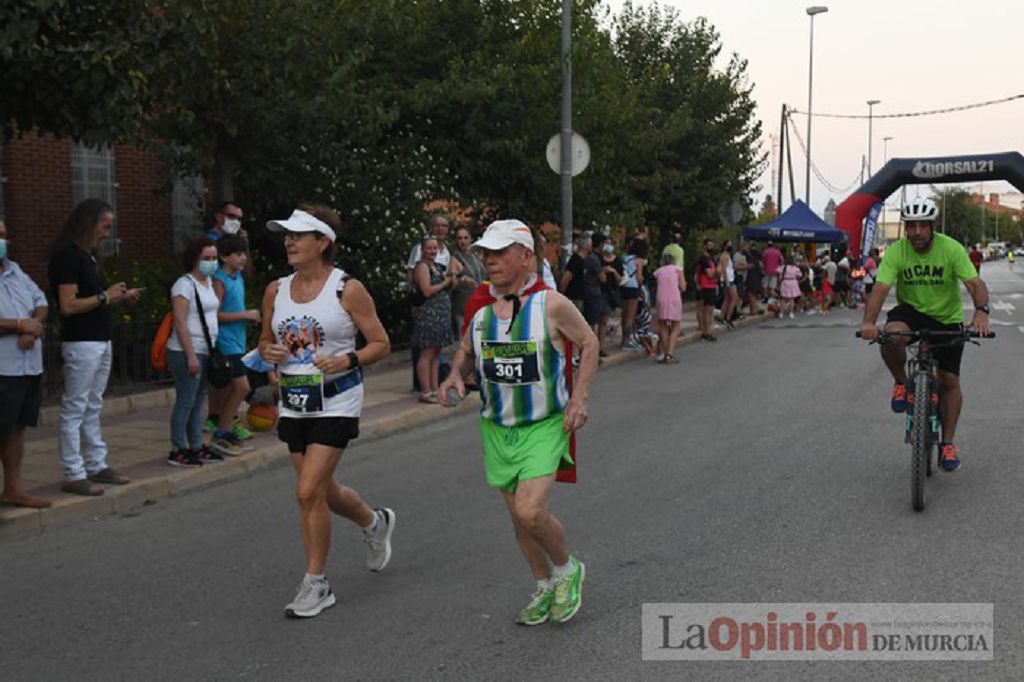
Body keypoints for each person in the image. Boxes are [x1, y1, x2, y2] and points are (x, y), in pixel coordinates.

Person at [439, 219, 597, 626]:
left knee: (530, 512)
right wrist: (456, 373)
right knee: (518, 519)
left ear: (525, 256)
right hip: (496, 426)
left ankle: (567, 569)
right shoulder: (479, 304)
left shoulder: (552, 304)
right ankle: (543, 584)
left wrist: (580, 397)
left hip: (544, 424)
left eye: (499, 252)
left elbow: (589, 342)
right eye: (485, 253)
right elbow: (465, 348)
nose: (489, 260)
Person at [259, 204, 393, 619]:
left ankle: (317, 584)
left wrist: (347, 360)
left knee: (306, 492)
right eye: (286, 235)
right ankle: (374, 522)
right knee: (321, 490)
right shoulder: (275, 290)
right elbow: (265, 341)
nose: (289, 241)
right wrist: (269, 354)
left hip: (337, 398)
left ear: (323, 242)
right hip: (295, 401)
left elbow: (380, 343)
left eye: (298, 235)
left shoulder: (346, 289)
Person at [860, 196, 991, 472]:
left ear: (932, 226)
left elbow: (974, 283)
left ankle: (948, 443)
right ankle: (900, 382)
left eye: (922, 225)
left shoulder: (951, 249)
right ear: (905, 228)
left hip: (947, 317)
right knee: (891, 335)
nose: (916, 232)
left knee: (949, 380)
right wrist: (869, 322)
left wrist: (981, 312)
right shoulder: (898, 251)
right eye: (911, 226)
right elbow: (881, 288)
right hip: (911, 312)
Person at [49, 199, 140, 496]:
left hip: (99, 339)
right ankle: (74, 471)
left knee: (93, 404)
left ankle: (96, 463)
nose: (106, 233)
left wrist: (117, 297)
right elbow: (68, 304)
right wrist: (105, 297)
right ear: (88, 223)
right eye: (104, 226)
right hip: (82, 342)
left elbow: (96, 297)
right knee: (76, 406)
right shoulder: (67, 257)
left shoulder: (88, 257)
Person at [0, 219, 52, 508]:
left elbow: (41, 302)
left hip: (28, 364)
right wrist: (21, 325)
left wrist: (34, 326)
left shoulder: (15, 270)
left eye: (3, 235)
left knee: (16, 427)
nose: (2, 240)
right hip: (3, 366)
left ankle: (12, 488)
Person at [166, 238, 224, 467]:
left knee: (198, 401)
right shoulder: (184, 285)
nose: (211, 263)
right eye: (206, 258)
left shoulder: (208, 283)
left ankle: (196, 445)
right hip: (186, 350)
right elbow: (180, 322)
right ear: (194, 259)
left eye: (213, 258)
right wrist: (190, 355)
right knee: (186, 401)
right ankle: (178, 448)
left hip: (206, 349)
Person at [205, 234, 261, 456]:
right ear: (224, 257)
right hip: (226, 342)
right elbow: (215, 315)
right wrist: (245, 315)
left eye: (244, 254)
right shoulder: (220, 280)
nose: (243, 258)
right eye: (238, 254)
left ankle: (225, 428)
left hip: (237, 341)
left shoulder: (238, 277)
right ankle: (222, 431)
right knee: (242, 387)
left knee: (232, 387)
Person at [411, 236, 458, 403]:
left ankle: (434, 388)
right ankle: (425, 390)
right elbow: (427, 290)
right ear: (422, 250)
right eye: (428, 248)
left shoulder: (437, 266)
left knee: (436, 353)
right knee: (427, 353)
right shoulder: (422, 267)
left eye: (434, 248)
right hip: (429, 314)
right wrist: (445, 283)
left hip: (440, 314)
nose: (432, 251)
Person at [582, 233, 615, 356]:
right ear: (600, 244)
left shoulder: (595, 257)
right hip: (593, 292)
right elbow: (603, 278)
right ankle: (593, 349)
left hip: (595, 292)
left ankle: (598, 348)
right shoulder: (594, 259)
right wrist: (605, 272)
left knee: (600, 321)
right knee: (593, 322)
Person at [452, 226, 487, 335]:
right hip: (464, 304)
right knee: (466, 338)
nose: (463, 241)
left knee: (481, 335)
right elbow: (452, 283)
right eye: (459, 238)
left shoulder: (476, 255)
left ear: (471, 239)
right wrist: (463, 279)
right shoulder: (454, 258)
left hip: (480, 302)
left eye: (465, 238)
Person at [653, 254, 686, 363]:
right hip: (674, 298)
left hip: (661, 298)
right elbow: (683, 287)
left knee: (663, 326)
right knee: (676, 326)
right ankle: (669, 354)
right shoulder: (678, 270)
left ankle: (666, 352)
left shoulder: (658, 272)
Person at [620, 238, 648, 350]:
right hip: (633, 287)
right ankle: (628, 341)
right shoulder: (639, 260)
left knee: (624, 313)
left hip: (623, 287)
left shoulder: (624, 258)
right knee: (630, 316)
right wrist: (641, 290)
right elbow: (639, 278)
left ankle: (623, 339)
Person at [695, 239, 718, 341]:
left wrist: (715, 272)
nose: (711, 247)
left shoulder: (712, 258)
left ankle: (708, 331)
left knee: (710, 310)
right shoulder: (703, 259)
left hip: (712, 285)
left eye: (712, 245)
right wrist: (716, 271)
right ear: (705, 246)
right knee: (707, 310)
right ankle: (706, 332)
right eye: (709, 245)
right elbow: (710, 273)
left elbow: (716, 273)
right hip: (706, 286)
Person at [559, 234, 589, 309]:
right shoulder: (575, 260)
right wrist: (562, 295)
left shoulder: (584, 260)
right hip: (573, 298)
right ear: (586, 246)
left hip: (579, 297)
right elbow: (565, 279)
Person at [718, 239, 739, 328]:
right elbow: (724, 269)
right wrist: (726, 281)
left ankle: (722, 317)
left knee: (727, 299)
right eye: (729, 245)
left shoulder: (728, 255)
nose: (730, 246)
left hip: (729, 279)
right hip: (728, 280)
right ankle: (728, 318)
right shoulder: (724, 256)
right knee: (734, 298)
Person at [778, 252, 801, 319]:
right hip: (793, 282)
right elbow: (800, 275)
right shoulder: (796, 268)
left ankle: (781, 313)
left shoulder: (784, 267)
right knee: (791, 299)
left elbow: (777, 271)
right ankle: (791, 313)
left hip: (785, 282)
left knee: (783, 298)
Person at [743, 243, 763, 315]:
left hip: (751, 277)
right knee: (752, 294)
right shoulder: (757, 259)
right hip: (756, 277)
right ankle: (753, 309)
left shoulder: (750, 258)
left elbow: (750, 266)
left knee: (750, 294)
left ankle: (754, 310)